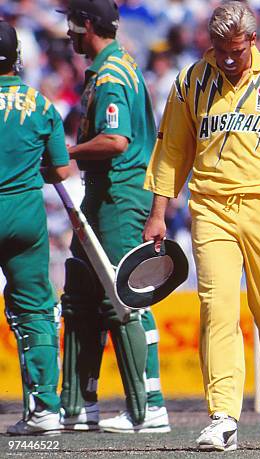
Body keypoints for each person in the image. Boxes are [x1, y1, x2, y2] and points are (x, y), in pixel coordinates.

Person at [143, 1, 260, 451]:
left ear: (253, 41)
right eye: (219, 48)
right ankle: (222, 416)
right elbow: (172, 150)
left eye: (236, 50)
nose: (227, 58)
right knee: (216, 310)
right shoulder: (190, 81)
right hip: (211, 208)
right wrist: (158, 212)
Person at [57, 0, 170, 432]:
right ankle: (81, 404)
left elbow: (116, 139)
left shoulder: (110, 73)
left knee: (126, 293)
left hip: (119, 194)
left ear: (88, 24)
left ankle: (150, 404)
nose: (69, 34)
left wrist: (64, 152)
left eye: (73, 25)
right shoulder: (114, 65)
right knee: (82, 295)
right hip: (103, 194)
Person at [0, 20, 70, 435]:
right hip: (26, 215)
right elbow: (60, 169)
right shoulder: (40, 104)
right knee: (37, 311)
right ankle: (45, 409)